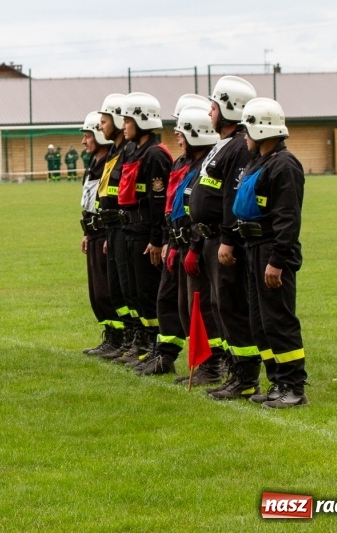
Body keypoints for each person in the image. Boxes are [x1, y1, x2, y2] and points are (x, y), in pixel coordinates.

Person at [185, 75, 261, 396]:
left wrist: (228, 239)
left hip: (225, 241)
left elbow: (232, 198)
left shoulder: (239, 148)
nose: (210, 113)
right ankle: (235, 371)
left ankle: (246, 378)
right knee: (220, 306)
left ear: (230, 108)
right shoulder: (223, 145)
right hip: (211, 239)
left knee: (232, 307)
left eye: (214, 107)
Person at [233, 97, 309, 408]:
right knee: (260, 321)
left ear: (261, 129)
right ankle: (277, 380)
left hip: (271, 251)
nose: (244, 137)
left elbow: (288, 218)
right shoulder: (260, 161)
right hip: (253, 249)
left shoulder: (284, 165)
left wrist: (277, 260)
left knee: (278, 319)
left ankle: (293, 387)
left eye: (247, 130)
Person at [136, 98, 216, 376]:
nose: (177, 137)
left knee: (200, 306)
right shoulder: (182, 162)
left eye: (181, 131)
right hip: (176, 240)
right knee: (171, 301)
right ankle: (165, 354)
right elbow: (171, 205)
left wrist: (194, 244)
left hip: (195, 242)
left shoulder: (207, 164)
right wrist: (168, 240)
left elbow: (202, 209)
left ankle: (211, 363)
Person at [111, 92, 173, 366]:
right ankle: (142, 342)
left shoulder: (155, 155)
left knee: (148, 292)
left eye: (127, 120)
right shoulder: (132, 150)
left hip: (145, 233)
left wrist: (156, 239)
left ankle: (155, 345)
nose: (123, 125)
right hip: (129, 230)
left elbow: (159, 202)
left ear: (142, 121)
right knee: (133, 292)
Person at [78, 111, 121, 357]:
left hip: (105, 234)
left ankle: (119, 338)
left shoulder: (109, 164)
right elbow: (91, 203)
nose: (84, 141)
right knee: (97, 292)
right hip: (94, 234)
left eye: (87, 135)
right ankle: (110, 335)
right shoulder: (94, 165)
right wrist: (87, 232)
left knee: (107, 290)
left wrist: (105, 232)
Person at [95, 93, 133, 360]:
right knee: (117, 289)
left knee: (130, 289)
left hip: (125, 227)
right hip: (112, 229)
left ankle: (138, 342)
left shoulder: (128, 151)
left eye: (104, 120)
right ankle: (128, 340)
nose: (100, 126)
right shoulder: (114, 152)